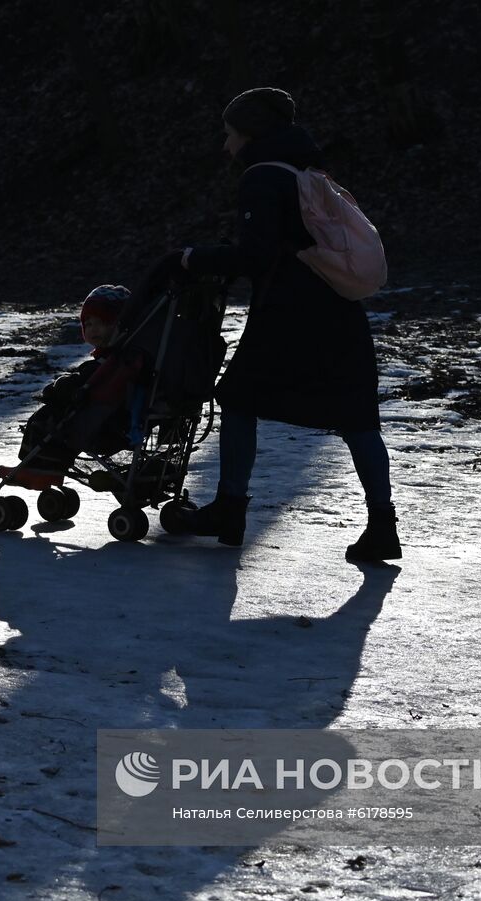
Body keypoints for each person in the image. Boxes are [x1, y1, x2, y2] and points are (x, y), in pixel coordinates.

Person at [171, 87, 400, 560]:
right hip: (340, 308)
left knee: (236, 398)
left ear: (251, 132)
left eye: (230, 133)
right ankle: (383, 525)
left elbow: (256, 256)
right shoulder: (309, 172)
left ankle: (229, 509)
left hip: (290, 315)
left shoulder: (262, 177)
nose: (225, 146)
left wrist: (196, 259)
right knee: (358, 417)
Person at [0, 285, 141, 490]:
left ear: (120, 325)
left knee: (44, 420)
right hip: (111, 421)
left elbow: (84, 383)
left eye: (102, 323)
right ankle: (49, 471)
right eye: (88, 324)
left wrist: (59, 388)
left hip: (103, 425)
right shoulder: (122, 359)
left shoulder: (110, 363)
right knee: (63, 422)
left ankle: (34, 469)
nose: (93, 329)